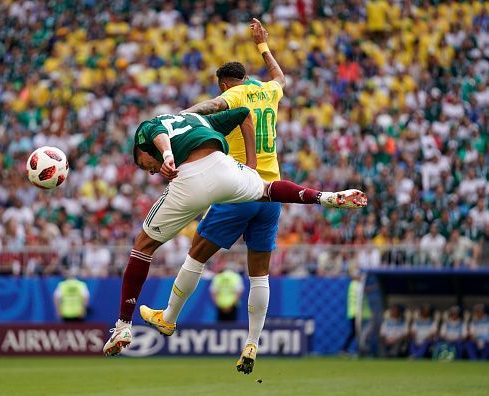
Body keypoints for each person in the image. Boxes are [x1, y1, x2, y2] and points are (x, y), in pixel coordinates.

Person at [103, 100, 367, 356]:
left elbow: (157, 130)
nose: (150, 171)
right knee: (266, 190)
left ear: (141, 150)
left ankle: (124, 326)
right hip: (225, 170)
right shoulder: (199, 120)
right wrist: (251, 161)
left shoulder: (147, 131)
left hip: (189, 178)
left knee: (143, 246)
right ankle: (323, 197)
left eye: (144, 165)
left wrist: (168, 155)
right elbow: (242, 113)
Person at [140, 18, 288, 373]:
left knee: (196, 254)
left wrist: (182, 116)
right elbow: (281, 77)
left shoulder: (234, 95)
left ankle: (168, 317)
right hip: (271, 190)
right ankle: (252, 343)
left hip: (238, 188)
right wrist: (263, 46)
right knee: (259, 275)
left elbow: (212, 106)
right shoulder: (270, 90)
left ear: (225, 83)